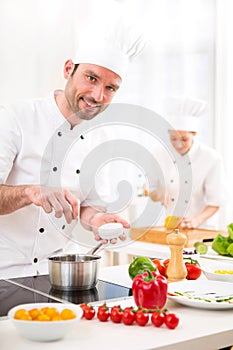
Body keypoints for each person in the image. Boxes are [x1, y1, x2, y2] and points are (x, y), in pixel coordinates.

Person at [0, 22, 145, 277]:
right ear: (69, 69)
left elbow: (89, 206)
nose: (98, 95)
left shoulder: (102, 139)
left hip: (61, 273)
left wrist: (97, 221)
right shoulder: (15, 118)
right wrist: (30, 192)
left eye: (110, 88)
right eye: (91, 78)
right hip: (6, 272)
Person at [149, 96, 226, 230]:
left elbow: (216, 201)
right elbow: (150, 190)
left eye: (184, 139)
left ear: (194, 134)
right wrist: (158, 193)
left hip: (201, 228)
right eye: (173, 139)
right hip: (168, 227)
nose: (178, 145)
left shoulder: (211, 158)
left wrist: (194, 222)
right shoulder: (159, 155)